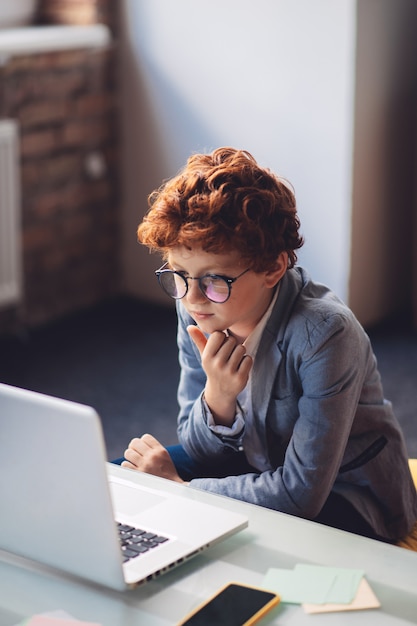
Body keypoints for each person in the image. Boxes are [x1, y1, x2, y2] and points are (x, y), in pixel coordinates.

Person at [120, 146, 417, 542]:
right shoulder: (197, 305)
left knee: (236, 538)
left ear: (274, 267)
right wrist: (218, 399)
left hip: (347, 492)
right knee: (117, 479)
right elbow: (199, 448)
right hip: (253, 463)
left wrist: (185, 492)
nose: (192, 298)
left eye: (214, 280)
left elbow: (301, 494)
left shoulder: (326, 334)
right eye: (178, 274)